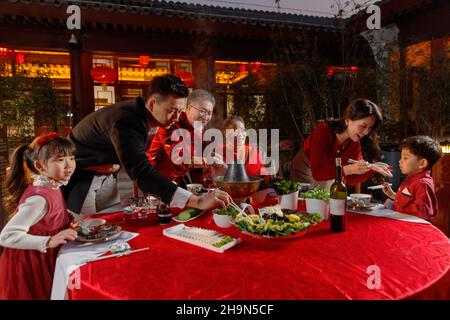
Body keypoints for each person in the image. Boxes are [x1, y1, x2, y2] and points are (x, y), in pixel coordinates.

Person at [63, 75, 231, 219]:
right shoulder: (126, 120)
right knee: (87, 231)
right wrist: (198, 201)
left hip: (109, 176)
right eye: (172, 110)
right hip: (83, 178)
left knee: (111, 223)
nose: (177, 117)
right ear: (151, 105)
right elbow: (142, 171)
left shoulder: (153, 117)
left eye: (180, 112)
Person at [0, 133, 78, 299]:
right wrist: (49, 241)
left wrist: (66, 217)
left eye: (71, 158)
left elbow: (47, 217)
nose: (69, 165)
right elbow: (7, 236)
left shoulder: (52, 185)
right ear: (40, 166)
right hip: (33, 263)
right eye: (60, 159)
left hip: (45, 257)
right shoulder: (38, 199)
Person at [290, 99, 392, 189]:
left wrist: (371, 169)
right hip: (305, 171)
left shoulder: (355, 143)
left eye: (370, 128)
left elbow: (351, 179)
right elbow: (318, 173)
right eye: (363, 126)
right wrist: (349, 169)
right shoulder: (323, 131)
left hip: (329, 174)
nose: (366, 132)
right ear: (347, 120)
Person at [146, 89, 222, 186]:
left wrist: (204, 186)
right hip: (156, 177)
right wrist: (206, 160)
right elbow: (180, 159)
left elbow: (198, 165)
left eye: (209, 113)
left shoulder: (198, 128)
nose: (206, 117)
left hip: (178, 178)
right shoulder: (171, 123)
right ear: (189, 109)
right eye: (202, 111)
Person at [382, 136, 442, 220]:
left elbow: (422, 211)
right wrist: (393, 195)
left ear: (422, 163)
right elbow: (409, 201)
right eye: (401, 157)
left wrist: (394, 206)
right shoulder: (412, 178)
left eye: (405, 158)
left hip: (415, 227)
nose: (400, 161)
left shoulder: (422, 183)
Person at [212, 115, 269, 181]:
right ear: (226, 134)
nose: (240, 134)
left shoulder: (253, 152)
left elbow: (263, 177)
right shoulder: (219, 151)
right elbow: (212, 178)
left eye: (243, 130)